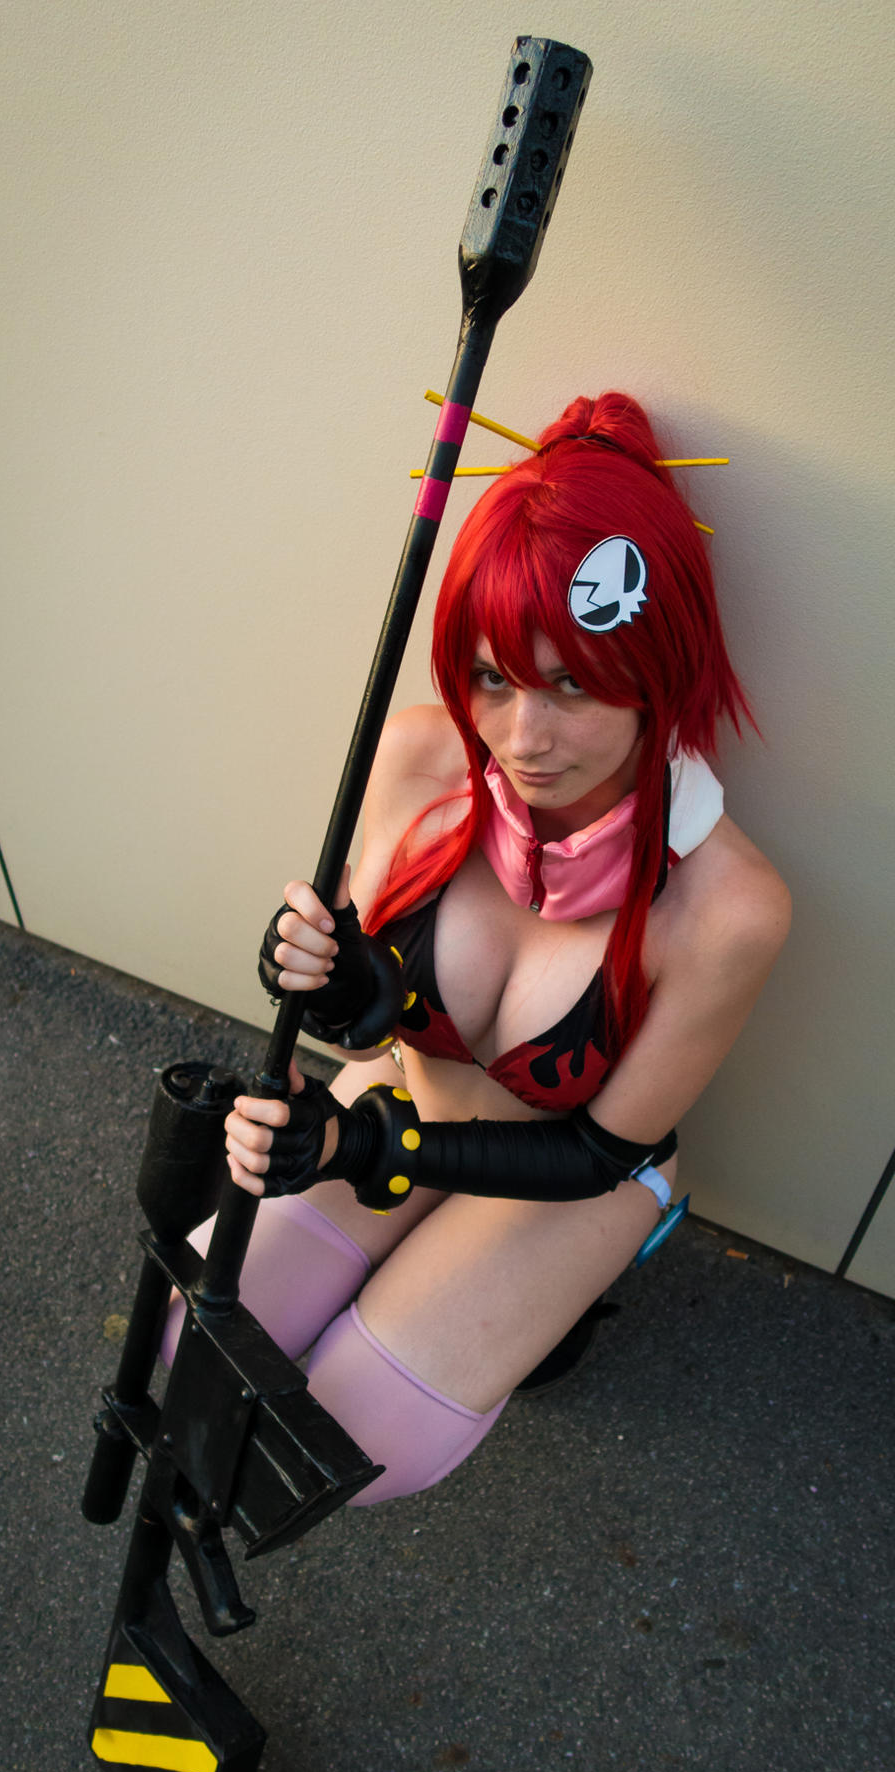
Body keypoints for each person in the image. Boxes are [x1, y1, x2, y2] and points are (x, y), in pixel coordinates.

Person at [163, 391, 791, 1505]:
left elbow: (592, 1153)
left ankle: (551, 1322)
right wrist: (330, 978)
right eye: (495, 676)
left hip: (573, 1181)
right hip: (407, 1102)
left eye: (573, 683)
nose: (522, 739)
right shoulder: (419, 760)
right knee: (188, 1345)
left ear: (659, 666)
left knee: (346, 1447)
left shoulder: (728, 907)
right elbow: (369, 1031)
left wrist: (360, 1146)